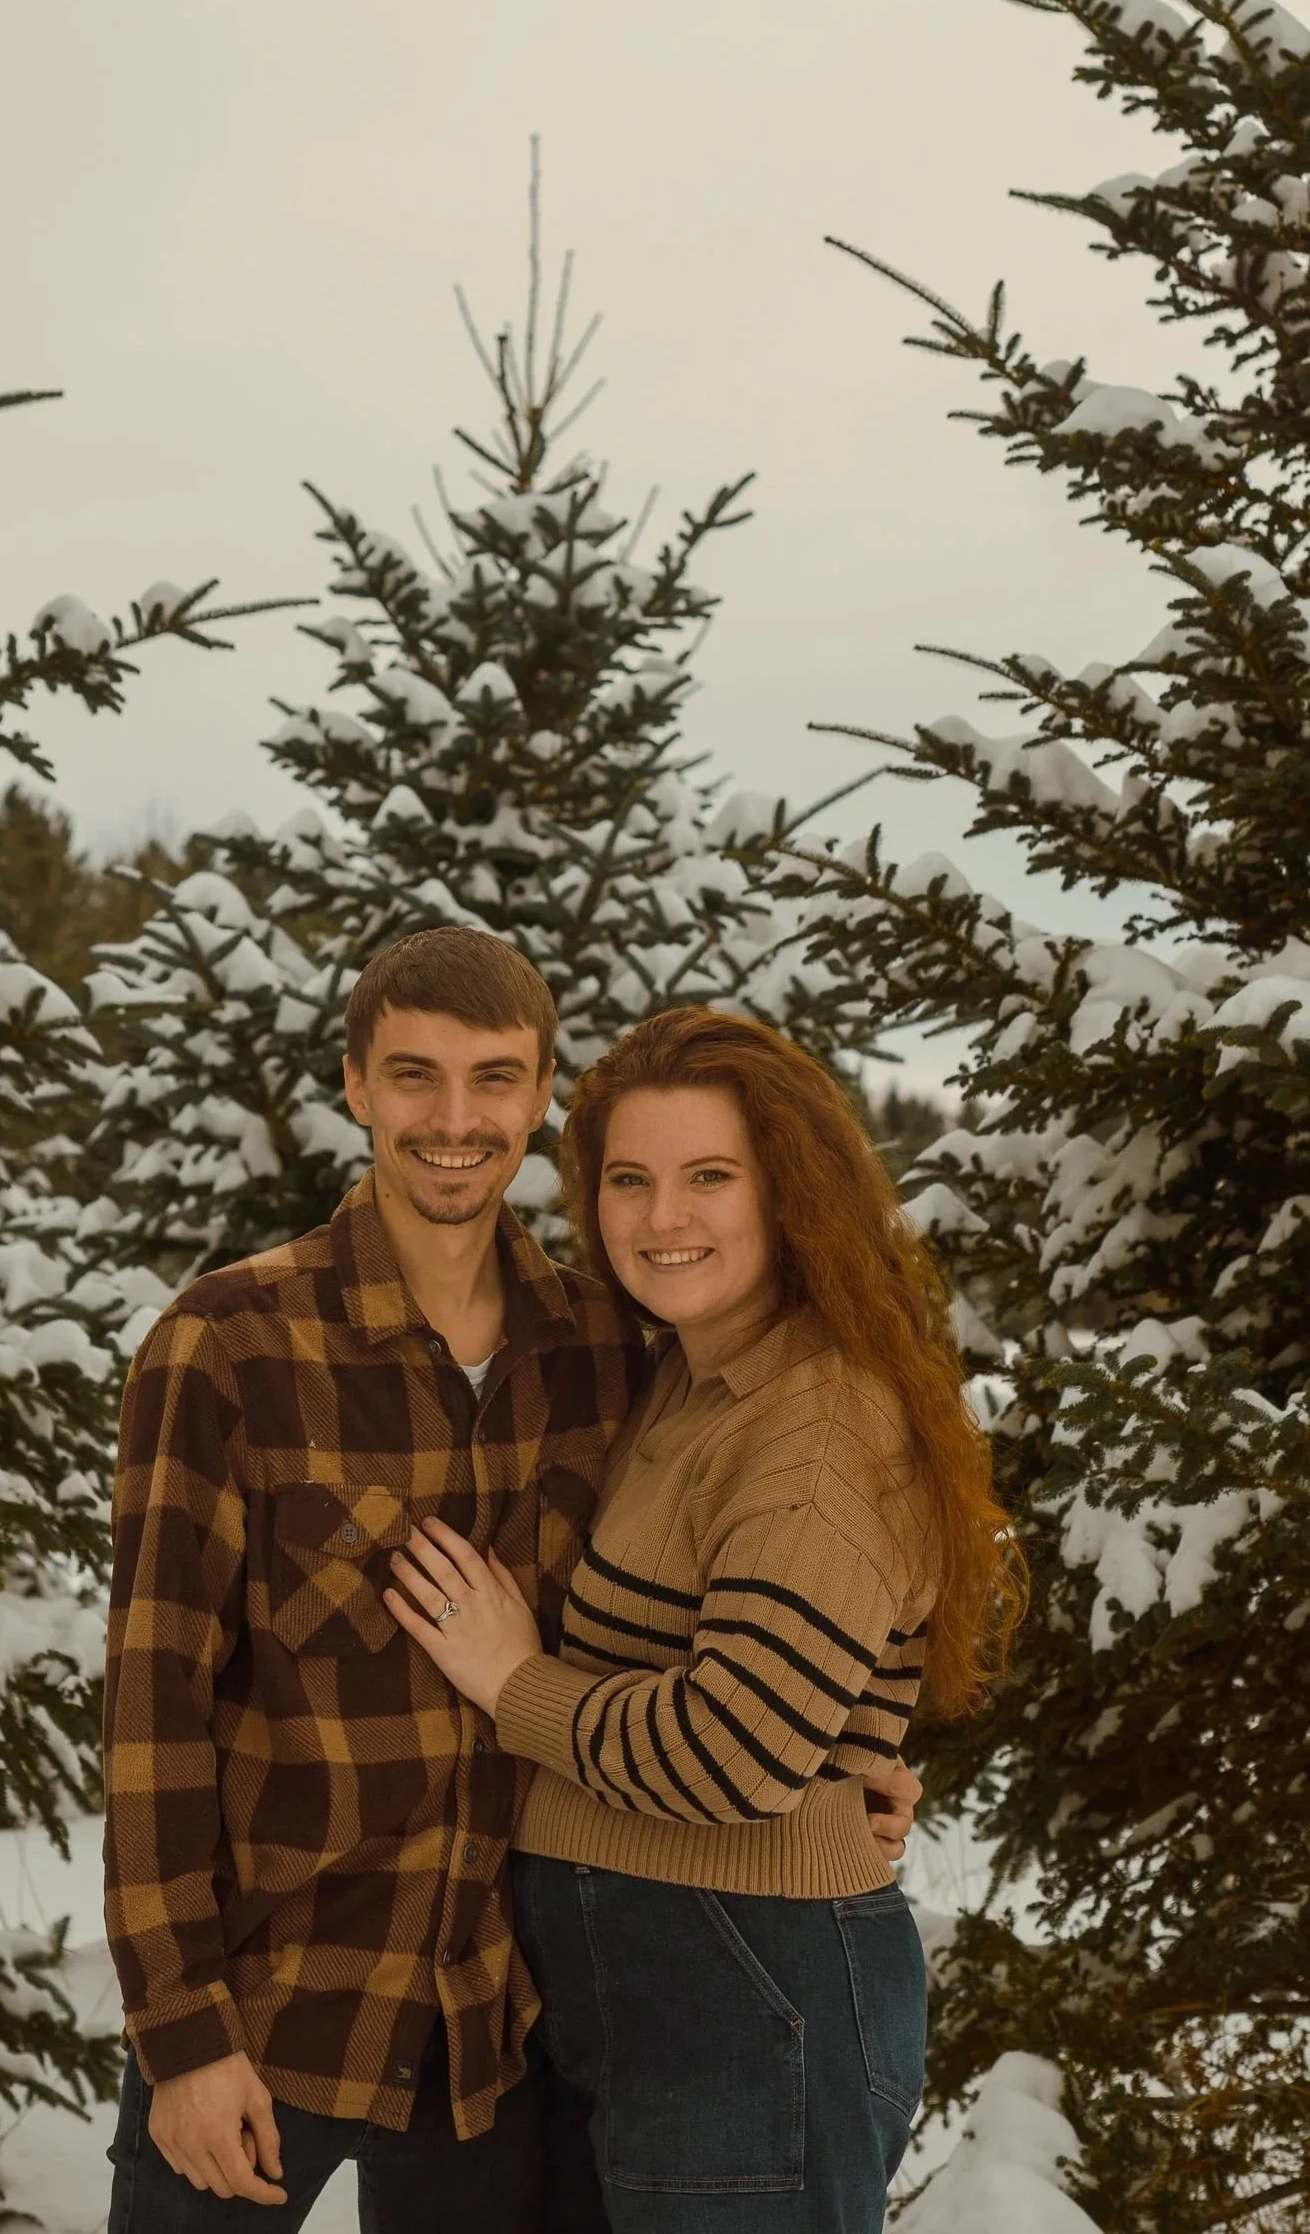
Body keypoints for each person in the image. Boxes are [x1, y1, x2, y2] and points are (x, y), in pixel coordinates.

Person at [102, 932, 922, 2233]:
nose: (452, 1118)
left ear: (541, 1099)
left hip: (498, 2031)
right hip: (272, 2008)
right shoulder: (229, 1341)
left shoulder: (602, 1348)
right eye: (412, 1075)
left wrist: (854, 1744)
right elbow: (154, 1714)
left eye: (492, 1079)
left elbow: (772, 1573)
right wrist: (179, 2031)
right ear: (355, 1084)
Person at [389, 1004, 1029, 2234]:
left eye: (708, 1176)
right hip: (654, 1978)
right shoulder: (688, 1372)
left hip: (745, 1986)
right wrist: (846, 1760)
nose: (660, 1217)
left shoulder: (817, 1425)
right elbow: (784, 1697)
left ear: (790, 1190)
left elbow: (733, 1749)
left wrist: (511, 1678)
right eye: (628, 1178)